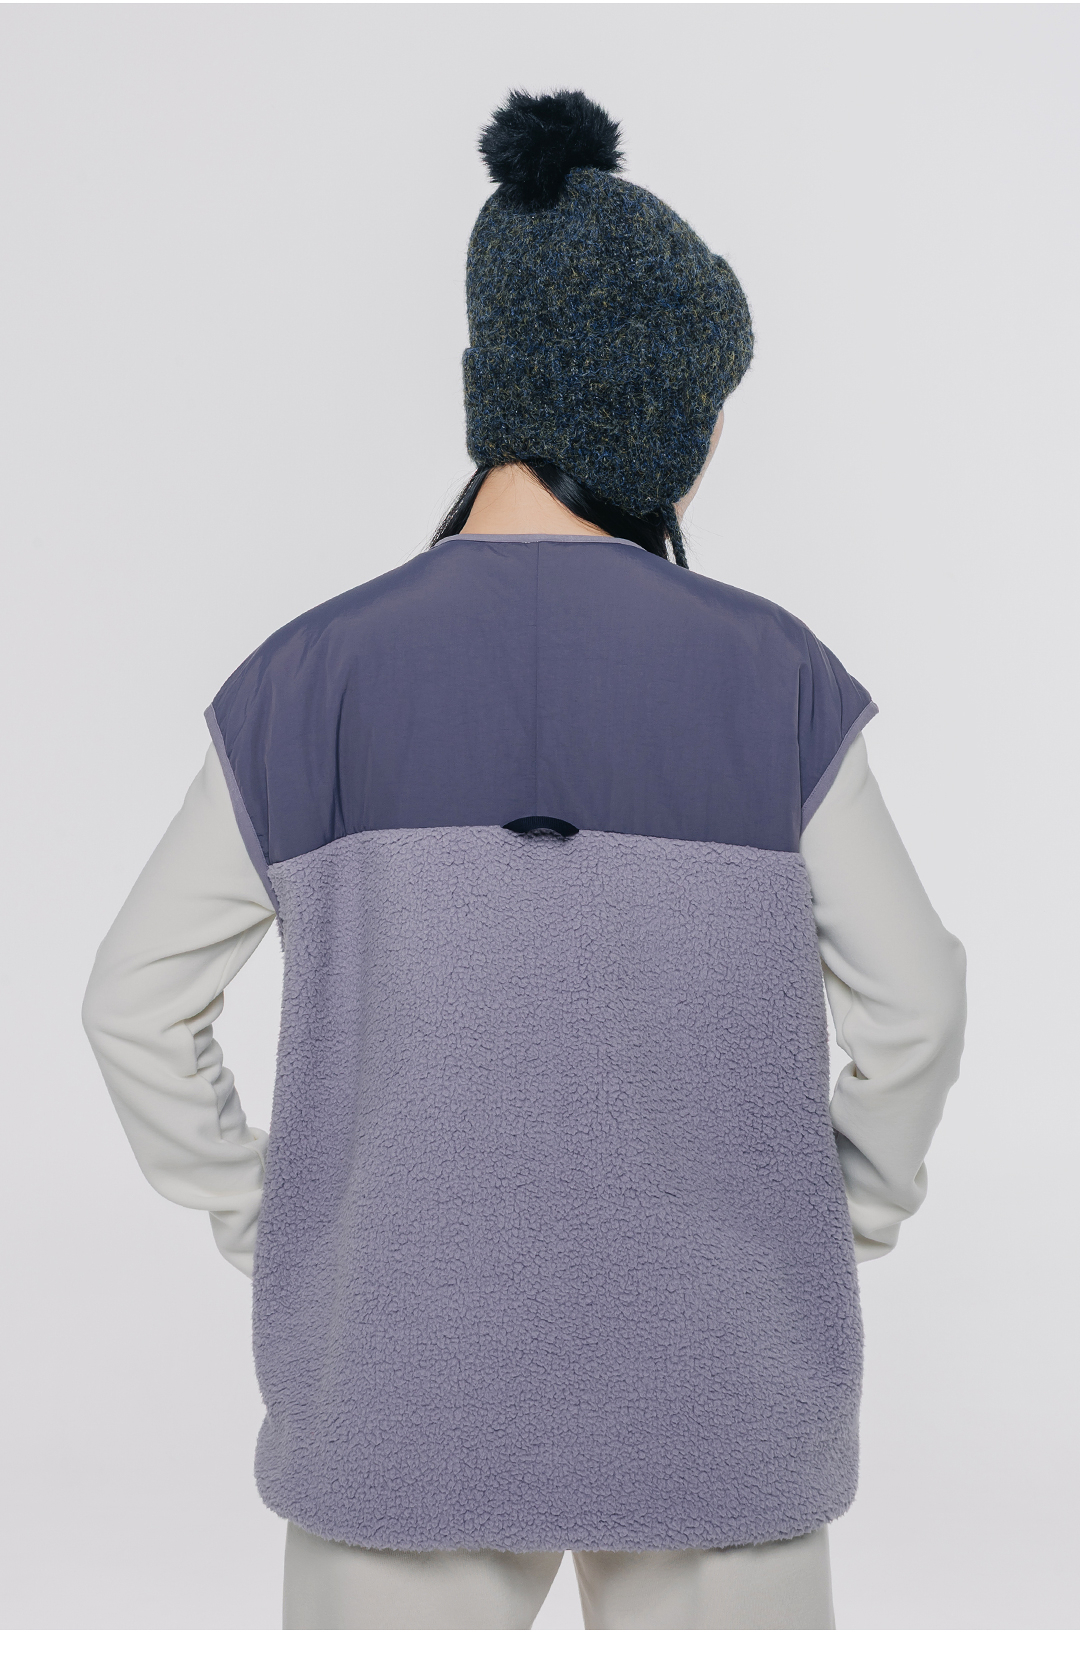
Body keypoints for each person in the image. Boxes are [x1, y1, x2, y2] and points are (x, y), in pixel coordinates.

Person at [82, 89, 967, 1630]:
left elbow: (132, 1002)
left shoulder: (307, 679)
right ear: (651, 408)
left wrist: (284, 1227)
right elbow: (920, 1000)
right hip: (724, 1395)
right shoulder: (777, 678)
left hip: (394, 1392)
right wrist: (831, 1228)